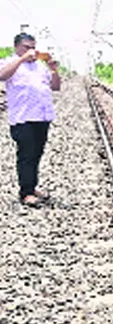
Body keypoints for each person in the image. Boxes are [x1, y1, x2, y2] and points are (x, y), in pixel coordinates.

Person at [0, 33, 61, 207]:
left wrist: (54, 69)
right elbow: (2, 76)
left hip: (42, 116)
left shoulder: (40, 67)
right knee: (26, 154)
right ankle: (25, 192)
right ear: (17, 47)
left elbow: (56, 87)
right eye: (27, 47)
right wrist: (21, 60)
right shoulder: (9, 62)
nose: (31, 51)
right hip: (23, 117)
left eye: (33, 47)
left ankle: (32, 187)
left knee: (36, 153)